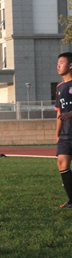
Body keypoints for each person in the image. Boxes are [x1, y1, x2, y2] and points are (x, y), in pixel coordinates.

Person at [56, 53, 72, 208]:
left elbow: (67, 113)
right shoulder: (59, 87)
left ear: (71, 65)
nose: (58, 65)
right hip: (65, 134)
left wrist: (70, 114)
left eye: (61, 62)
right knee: (62, 163)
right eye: (58, 63)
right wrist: (57, 134)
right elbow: (59, 113)